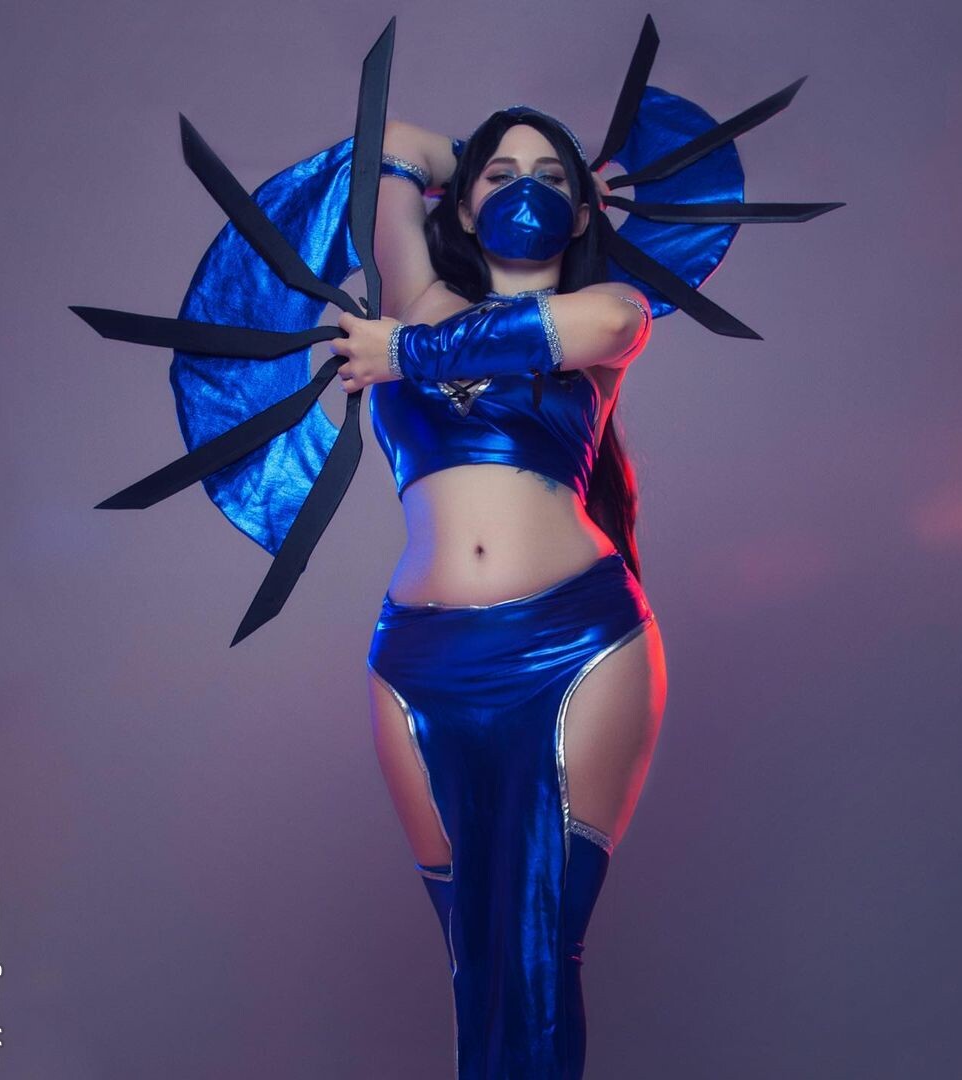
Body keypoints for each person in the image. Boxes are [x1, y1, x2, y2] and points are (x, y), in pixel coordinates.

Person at [329, 107, 668, 1078]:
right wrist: (459, 157)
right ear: (465, 208)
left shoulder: (608, 313)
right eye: (500, 175)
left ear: (582, 214)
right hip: (420, 663)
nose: (527, 190)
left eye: (553, 179)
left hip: (576, 645)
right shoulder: (419, 297)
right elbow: (385, 142)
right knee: (472, 955)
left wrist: (409, 356)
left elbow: (607, 322)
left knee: (540, 944)